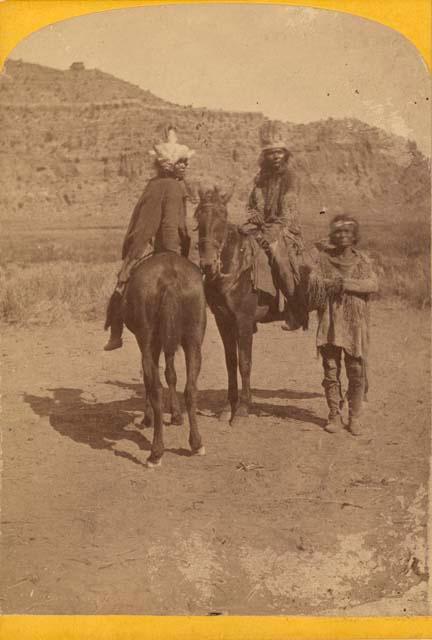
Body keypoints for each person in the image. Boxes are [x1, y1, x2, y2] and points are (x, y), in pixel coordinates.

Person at [103, 127, 195, 351]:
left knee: (121, 284)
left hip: (143, 246)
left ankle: (116, 334)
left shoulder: (152, 186)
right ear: (171, 165)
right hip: (164, 246)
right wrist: (180, 249)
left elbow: (140, 221)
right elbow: (174, 224)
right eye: (182, 162)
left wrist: (134, 248)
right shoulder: (177, 187)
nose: (185, 166)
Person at [309, 214, 379, 435]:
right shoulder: (322, 259)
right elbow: (313, 282)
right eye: (338, 231)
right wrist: (326, 283)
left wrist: (344, 284)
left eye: (347, 231)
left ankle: (355, 416)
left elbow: (372, 284)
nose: (342, 236)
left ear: (354, 236)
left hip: (354, 323)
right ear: (333, 235)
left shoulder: (363, 260)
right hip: (329, 322)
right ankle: (334, 414)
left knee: (356, 370)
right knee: (331, 370)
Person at [243, 120, 308, 330]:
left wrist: (275, 227)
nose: (276, 156)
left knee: (278, 258)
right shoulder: (261, 179)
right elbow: (252, 204)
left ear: (285, 154)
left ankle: (296, 309)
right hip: (263, 226)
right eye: (271, 153)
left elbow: (289, 209)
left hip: (285, 227)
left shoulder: (291, 177)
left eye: (279, 152)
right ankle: (247, 307)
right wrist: (253, 216)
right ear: (265, 156)